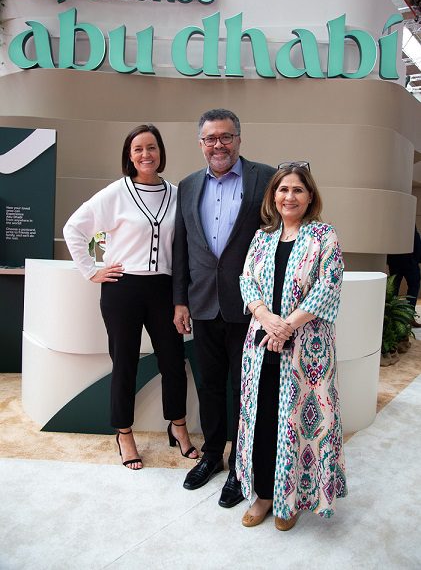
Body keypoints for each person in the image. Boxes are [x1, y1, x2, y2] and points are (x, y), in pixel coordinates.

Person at [63, 124, 198, 469]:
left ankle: (178, 426)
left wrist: (182, 296)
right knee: (124, 363)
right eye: (138, 149)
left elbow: (182, 247)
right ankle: (124, 433)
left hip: (164, 289)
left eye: (151, 147)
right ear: (129, 155)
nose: (145, 154)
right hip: (123, 289)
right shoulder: (116, 193)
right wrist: (92, 269)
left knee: (173, 362)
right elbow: (75, 228)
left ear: (160, 152)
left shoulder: (176, 193)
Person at [173, 108, 276, 508]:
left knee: (244, 389)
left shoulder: (265, 178)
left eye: (226, 137)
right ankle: (213, 455)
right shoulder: (187, 185)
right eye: (210, 138)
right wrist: (180, 300)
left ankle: (240, 465)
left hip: (251, 307)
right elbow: (182, 247)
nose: (219, 145)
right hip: (201, 304)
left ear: (238, 139)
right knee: (210, 385)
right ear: (201, 143)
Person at [236, 162, 347, 531]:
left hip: (307, 352)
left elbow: (328, 286)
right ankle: (264, 496)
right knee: (265, 418)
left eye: (298, 189)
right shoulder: (262, 237)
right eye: (283, 189)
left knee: (298, 423)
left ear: (310, 196)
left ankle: (292, 498)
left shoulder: (324, 236)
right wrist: (266, 318)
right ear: (273, 196)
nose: (289, 196)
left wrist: (286, 327)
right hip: (261, 346)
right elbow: (247, 280)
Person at [387, 226, 421, 326]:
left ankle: (393, 317)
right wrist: (416, 259)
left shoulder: (394, 225)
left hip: (397, 260)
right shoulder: (408, 222)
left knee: (394, 288)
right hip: (409, 261)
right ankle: (407, 316)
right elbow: (416, 240)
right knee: (411, 286)